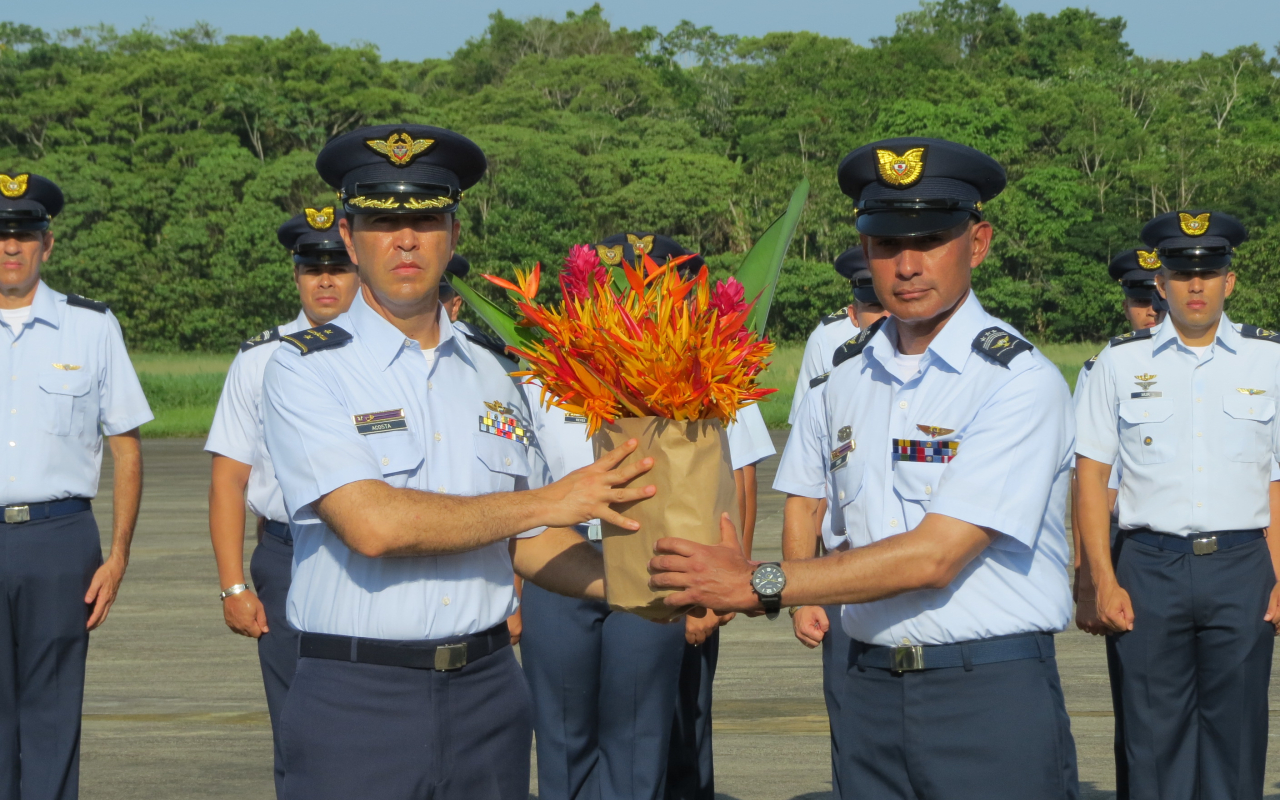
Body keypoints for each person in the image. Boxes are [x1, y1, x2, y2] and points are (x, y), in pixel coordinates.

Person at [649, 137, 1079, 800]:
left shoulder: (1016, 382)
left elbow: (936, 556)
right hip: (866, 690)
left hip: (985, 694)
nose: (906, 264)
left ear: (979, 241)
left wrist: (762, 582)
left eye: (931, 238)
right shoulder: (840, 380)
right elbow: (812, 504)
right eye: (884, 243)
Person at [259, 124, 657, 800]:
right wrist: (551, 501)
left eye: (425, 219)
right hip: (358, 699)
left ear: (454, 233)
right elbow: (373, 525)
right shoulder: (305, 370)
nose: (407, 239)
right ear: (351, 239)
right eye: (384, 222)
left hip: (489, 694)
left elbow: (530, 544)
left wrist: (643, 589)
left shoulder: (496, 375)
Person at [1076, 210, 1280, 800]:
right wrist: (1098, 578)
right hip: (1148, 568)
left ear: (1229, 281)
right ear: (1161, 283)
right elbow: (1091, 477)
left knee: (1236, 739)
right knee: (1150, 740)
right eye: (1183, 273)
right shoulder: (1119, 362)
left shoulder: (1269, 362)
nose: (1197, 285)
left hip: (1242, 565)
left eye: (1209, 271)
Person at [0, 171, 153, 799]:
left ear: (48, 245)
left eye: (25, 235)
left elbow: (126, 446)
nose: (11, 247)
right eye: (1, 235)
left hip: (58, 539)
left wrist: (117, 556)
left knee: (53, 710)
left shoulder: (91, 327)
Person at [204, 205, 360, 798]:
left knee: (378, 720)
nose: (324, 280)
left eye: (338, 267)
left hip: (373, 554)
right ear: (295, 274)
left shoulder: (393, 354)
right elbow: (229, 480)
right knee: (297, 727)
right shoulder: (259, 359)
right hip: (287, 556)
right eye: (310, 267)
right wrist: (232, 586)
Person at [775, 269, 887, 798]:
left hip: (940, 588)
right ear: (854, 314)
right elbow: (805, 501)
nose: (882, 318)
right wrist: (800, 595)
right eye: (872, 307)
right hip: (845, 585)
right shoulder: (829, 393)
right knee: (853, 734)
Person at [1070, 246, 1167, 800]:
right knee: (1141, 710)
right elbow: (1088, 480)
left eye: (1156, 297)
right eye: (1139, 300)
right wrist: (1088, 573)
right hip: (1133, 551)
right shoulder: (1106, 367)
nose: (1150, 310)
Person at [789, 248, 887, 423]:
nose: (887, 317)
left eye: (895, 306)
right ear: (854, 315)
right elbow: (805, 424)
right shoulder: (827, 336)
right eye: (875, 306)